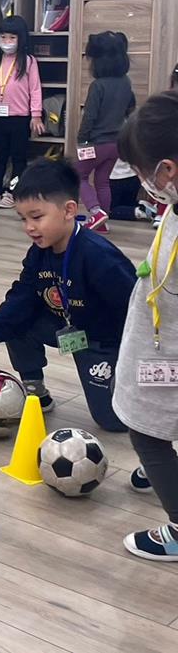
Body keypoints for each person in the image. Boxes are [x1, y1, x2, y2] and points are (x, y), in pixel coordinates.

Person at [0, 158, 133, 432]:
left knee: (113, 421)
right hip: (67, 327)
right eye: (24, 219)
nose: (29, 227)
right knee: (17, 322)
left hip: (104, 340)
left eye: (37, 217)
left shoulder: (99, 256)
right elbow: (21, 297)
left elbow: (135, 308)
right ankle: (35, 389)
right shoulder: (39, 252)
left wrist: (133, 358)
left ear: (69, 210)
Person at [111, 91, 178, 558]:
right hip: (159, 343)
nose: (143, 182)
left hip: (168, 354)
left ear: (166, 171)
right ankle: (162, 470)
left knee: (146, 432)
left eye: (141, 171)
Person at [0, 15, 44, 209]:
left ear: (21, 39)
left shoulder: (28, 61)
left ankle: (13, 193)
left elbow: (35, 89)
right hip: (0, 117)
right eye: (3, 37)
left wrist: (36, 115)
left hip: (20, 117)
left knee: (18, 158)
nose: (7, 42)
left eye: (12, 38)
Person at [76, 31, 136, 232]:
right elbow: (130, 108)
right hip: (115, 144)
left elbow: (89, 117)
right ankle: (102, 222)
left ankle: (96, 212)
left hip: (95, 143)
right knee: (102, 182)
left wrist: (82, 140)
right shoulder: (126, 82)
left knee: (79, 176)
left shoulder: (97, 86)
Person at [109, 159, 156, 224]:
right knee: (127, 203)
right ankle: (141, 205)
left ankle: (139, 211)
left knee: (108, 210)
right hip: (133, 175)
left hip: (115, 178)